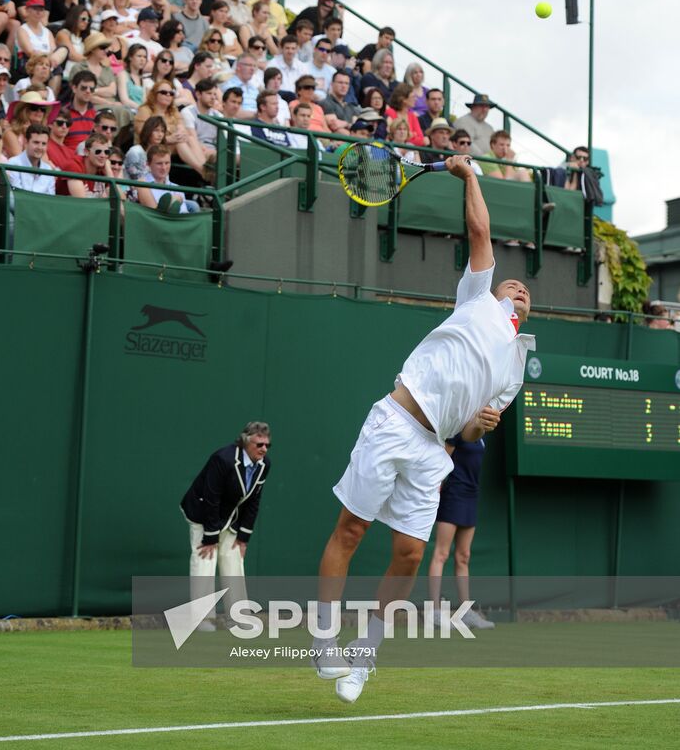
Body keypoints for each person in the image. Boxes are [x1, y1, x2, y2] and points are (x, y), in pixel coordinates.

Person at [315, 155, 535, 703]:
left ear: (528, 314)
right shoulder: (477, 298)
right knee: (351, 531)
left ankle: (363, 656)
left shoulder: (512, 374)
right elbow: (480, 228)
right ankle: (323, 639)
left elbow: (466, 435)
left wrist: (476, 425)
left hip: (434, 449)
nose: (518, 288)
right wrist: (469, 175)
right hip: (395, 421)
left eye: (527, 291)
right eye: (512, 284)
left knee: (410, 555)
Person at [180, 422, 271, 629]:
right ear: (246, 442)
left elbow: (253, 501)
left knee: (234, 560)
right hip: (202, 513)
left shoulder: (265, 465)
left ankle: (238, 618)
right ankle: (203, 620)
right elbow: (211, 498)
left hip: (231, 517)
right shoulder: (223, 459)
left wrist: (243, 537)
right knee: (205, 560)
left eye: (267, 445)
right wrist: (210, 537)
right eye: (259, 445)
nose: (264, 449)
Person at [428, 434, 495, 630]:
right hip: (453, 493)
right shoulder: (457, 432)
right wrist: (436, 488)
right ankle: (435, 612)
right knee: (441, 553)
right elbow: (442, 462)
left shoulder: (482, 434)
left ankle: (466, 613)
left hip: (471, 495)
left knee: (463, 556)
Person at [137, 145, 199, 214]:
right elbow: (153, 215)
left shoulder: (176, 188)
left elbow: (184, 214)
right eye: (159, 164)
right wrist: (174, 200)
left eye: (167, 163)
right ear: (148, 164)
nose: (164, 168)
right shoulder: (142, 183)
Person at [7, 123, 55, 195]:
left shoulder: (48, 170)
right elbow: (17, 196)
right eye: (36, 142)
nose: (40, 147)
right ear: (26, 142)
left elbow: (50, 200)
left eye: (44, 144)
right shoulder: (13, 163)